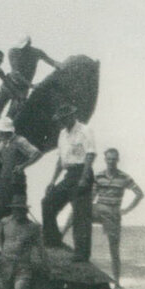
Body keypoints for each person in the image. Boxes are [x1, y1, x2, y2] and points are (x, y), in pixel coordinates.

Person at [63, 148, 144, 288]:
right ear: (105, 160)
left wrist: (127, 210)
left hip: (113, 213)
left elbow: (139, 193)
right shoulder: (99, 176)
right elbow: (93, 195)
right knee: (77, 210)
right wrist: (85, 205)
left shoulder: (124, 177)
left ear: (117, 160)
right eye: (109, 159)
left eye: (114, 159)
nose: (111, 161)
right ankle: (60, 235)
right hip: (99, 208)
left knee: (114, 249)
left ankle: (117, 283)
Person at [41, 104, 96, 262]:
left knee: (81, 215)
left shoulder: (85, 130)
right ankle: (52, 240)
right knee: (48, 202)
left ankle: (82, 253)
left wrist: (85, 178)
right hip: (69, 174)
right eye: (61, 119)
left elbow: (90, 154)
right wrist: (52, 181)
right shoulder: (62, 134)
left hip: (82, 172)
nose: (63, 121)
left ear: (72, 116)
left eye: (65, 118)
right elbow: (60, 159)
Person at [0, 116, 42, 220]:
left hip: (16, 179)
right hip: (4, 178)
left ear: (5, 131)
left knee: (16, 208)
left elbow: (36, 153)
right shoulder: (5, 141)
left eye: (0, 131)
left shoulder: (20, 141)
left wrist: (22, 166)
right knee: (1, 207)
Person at [0, 36, 62, 115]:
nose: (22, 49)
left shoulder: (37, 52)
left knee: (11, 117)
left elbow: (52, 62)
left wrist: (62, 65)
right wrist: (31, 85)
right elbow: (16, 73)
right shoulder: (13, 52)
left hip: (22, 90)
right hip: (9, 86)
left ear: (29, 43)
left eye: (25, 46)